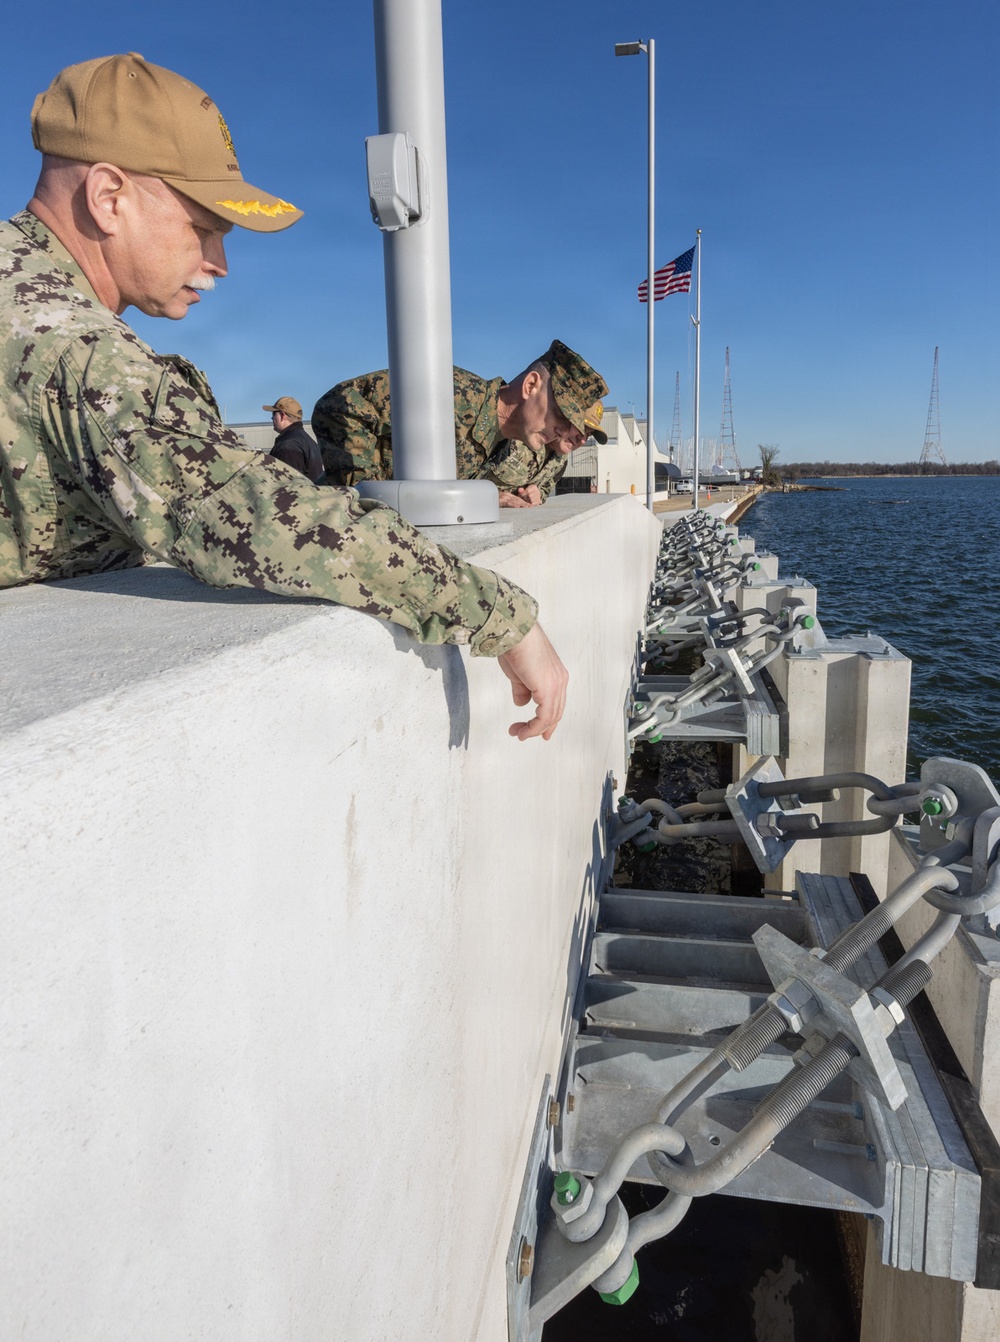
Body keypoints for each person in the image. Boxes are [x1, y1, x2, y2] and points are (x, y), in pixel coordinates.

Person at [0, 53, 567, 741]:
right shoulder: (71, 345)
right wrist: (502, 616)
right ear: (108, 197)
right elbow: (258, 519)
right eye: (202, 228)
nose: (219, 263)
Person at [311, 343, 609, 508]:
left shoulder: (509, 445)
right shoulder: (451, 392)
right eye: (560, 416)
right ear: (531, 385)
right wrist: (371, 494)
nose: (563, 431)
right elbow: (340, 404)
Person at [262, 396, 325, 483]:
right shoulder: (309, 441)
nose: (272, 418)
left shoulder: (288, 446)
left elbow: (288, 487)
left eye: (273, 414)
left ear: (282, 415)